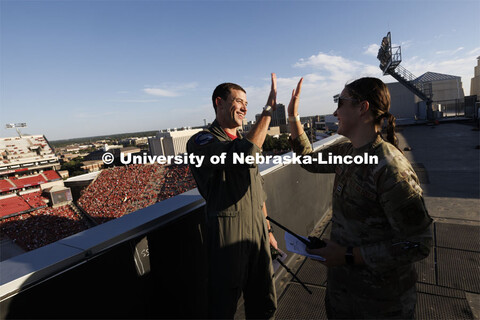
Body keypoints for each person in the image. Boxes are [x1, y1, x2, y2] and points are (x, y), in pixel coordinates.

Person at [287, 77, 433, 319]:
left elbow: (418, 244)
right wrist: (293, 117)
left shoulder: (390, 168)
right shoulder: (348, 152)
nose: (335, 112)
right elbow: (308, 160)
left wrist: (346, 255)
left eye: (340, 102)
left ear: (362, 108)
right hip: (344, 298)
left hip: (380, 306)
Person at [186, 74, 279, 319]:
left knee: (264, 299)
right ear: (219, 103)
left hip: (257, 231)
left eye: (246, 103)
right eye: (238, 101)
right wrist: (268, 111)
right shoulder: (201, 141)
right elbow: (243, 155)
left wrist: (267, 230)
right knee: (224, 304)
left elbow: (257, 192)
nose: (245, 107)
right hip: (228, 232)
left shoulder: (242, 140)